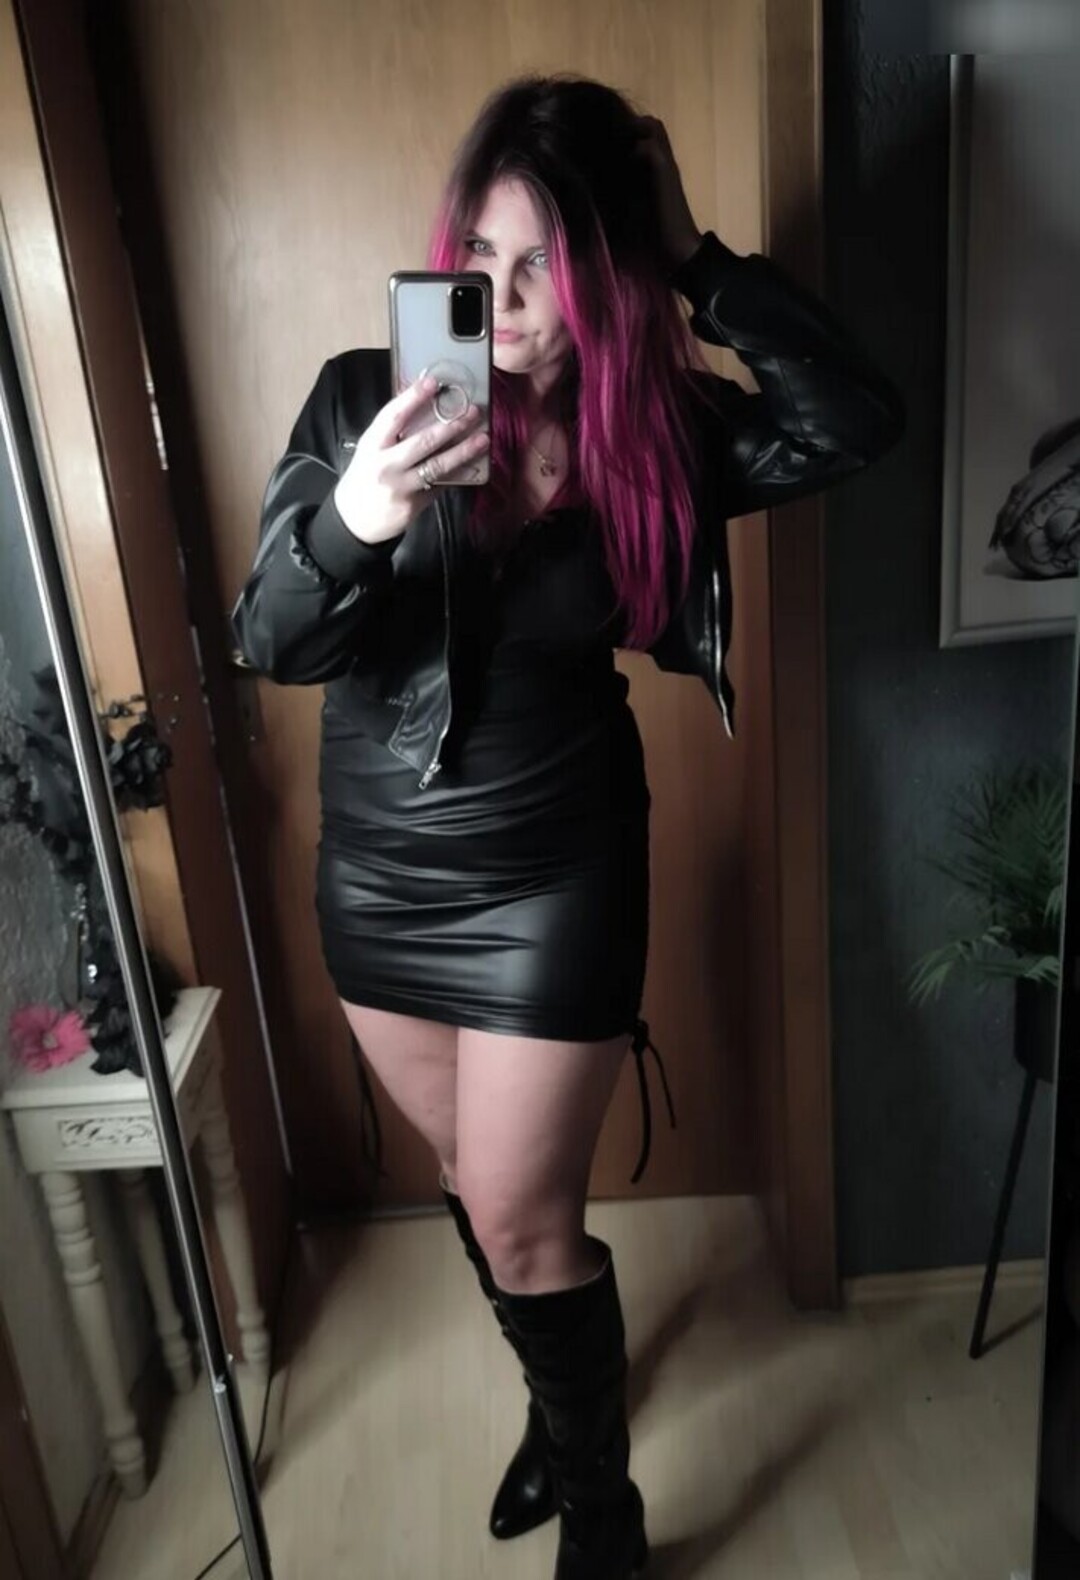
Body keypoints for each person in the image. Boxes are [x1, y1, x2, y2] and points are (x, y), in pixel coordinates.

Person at [232, 74, 903, 1580]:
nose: (505, 297)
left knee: (523, 1216)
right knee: (484, 1192)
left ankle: (603, 1503)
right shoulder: (365, 399)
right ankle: (564, 1407)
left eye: (545, 261)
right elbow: (268, 639)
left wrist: (697, 259)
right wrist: (356, 518)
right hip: (383, 877)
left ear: (610, 263)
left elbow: (857, 420)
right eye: (480, 254)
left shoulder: (657, 429)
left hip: (555, 871)